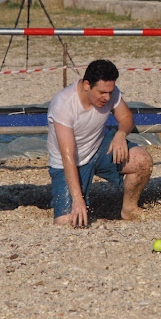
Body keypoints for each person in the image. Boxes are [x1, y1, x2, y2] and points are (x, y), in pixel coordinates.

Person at [47, 59, 153, 226]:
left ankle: (129, 209)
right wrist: (78, 200)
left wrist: (120, 134)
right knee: (66, 222)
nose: (107, 97)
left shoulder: (110, 92)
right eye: (102, 92)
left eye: (110, 92)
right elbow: (68, 156)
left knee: (142, 160)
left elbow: (126, 118)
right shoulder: (63, 104)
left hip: (99, 146)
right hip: (69, 162)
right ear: (87, 85)